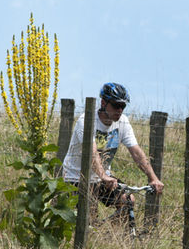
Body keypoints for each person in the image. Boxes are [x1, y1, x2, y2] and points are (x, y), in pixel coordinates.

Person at [61, 82, 164, 223]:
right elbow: (92, 153)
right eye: (116, 105)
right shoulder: (86, 121)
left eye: (123, 106)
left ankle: (107, 235)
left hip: (102, 178)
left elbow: (136, 152)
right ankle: (94, 234)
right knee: (86, 221)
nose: (120, 110)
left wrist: (153, 178)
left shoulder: (123, 122)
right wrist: (103, 176)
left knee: (127, 201)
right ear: (103, 103)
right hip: (76, 177)